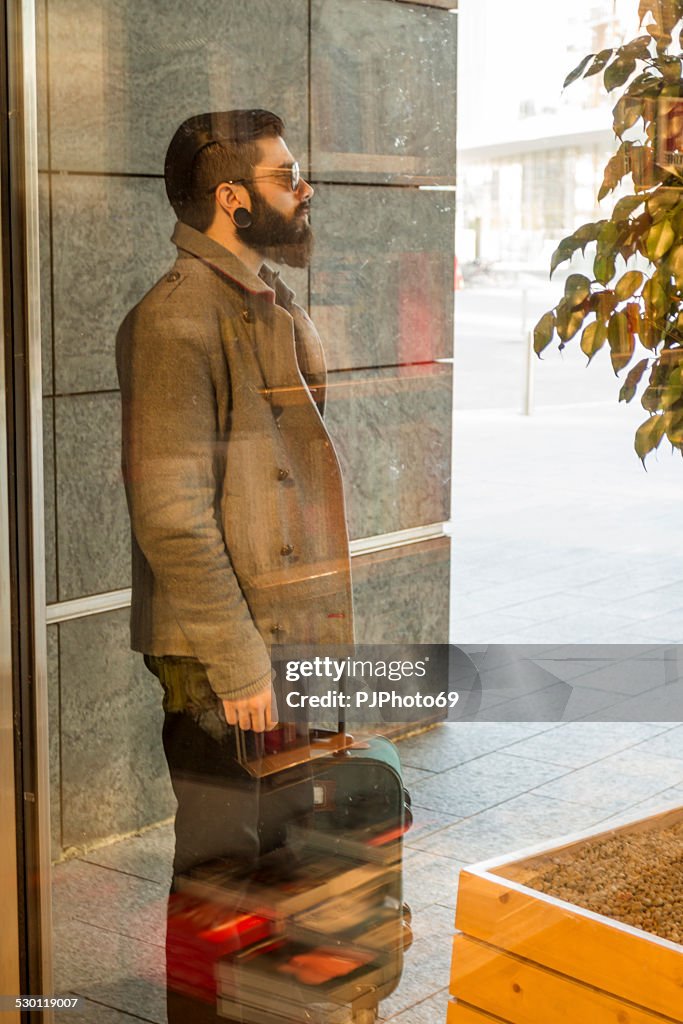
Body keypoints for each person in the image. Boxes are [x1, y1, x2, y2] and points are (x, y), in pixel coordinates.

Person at [116, 109, 354, 1022]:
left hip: (278, 632)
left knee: (274, 862)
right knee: (218, 873)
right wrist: (245, 663)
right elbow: (172, 520)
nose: (304, 190)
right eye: (286, 175)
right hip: (227, 657)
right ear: (230, 197)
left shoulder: (250, 298)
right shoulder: (178, 319)